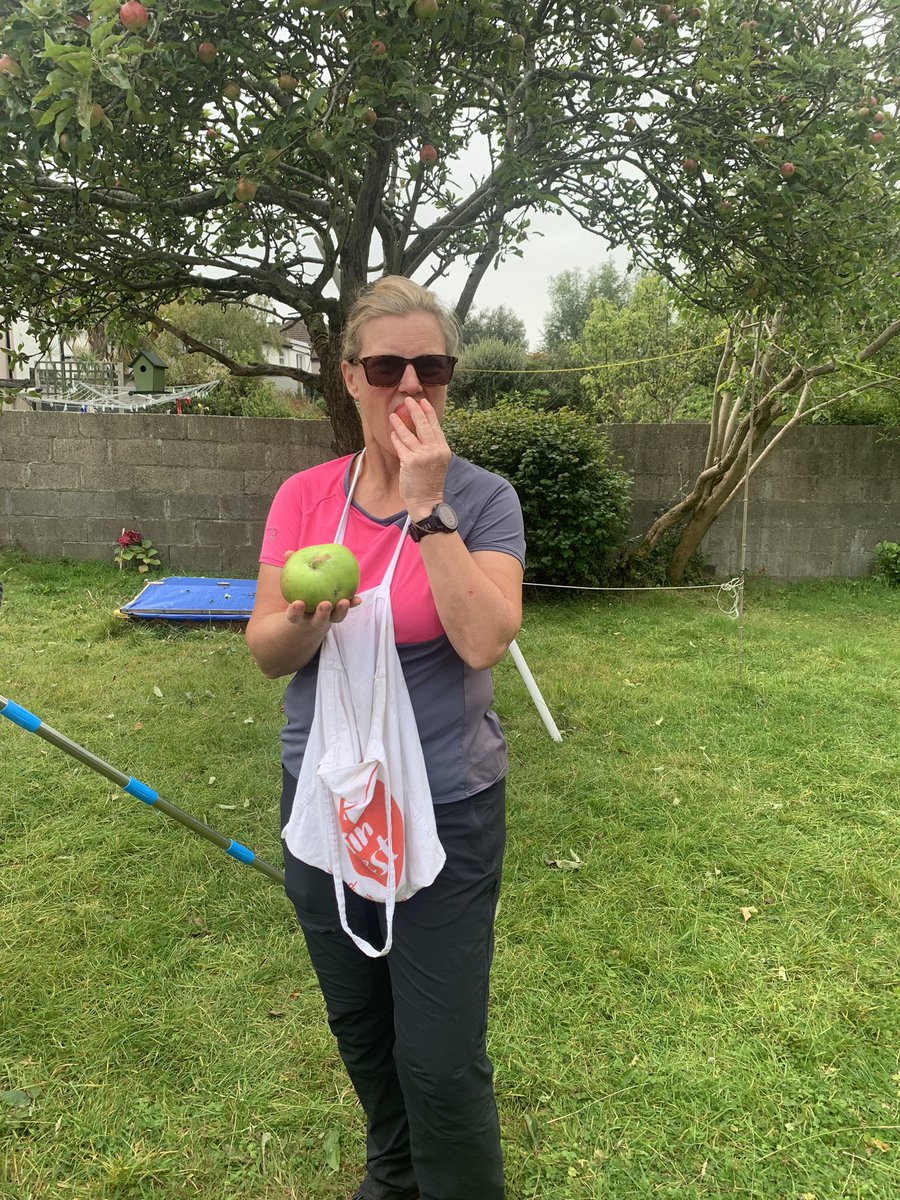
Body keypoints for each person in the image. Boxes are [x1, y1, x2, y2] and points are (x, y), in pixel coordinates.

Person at [245, 275, 525, 1200]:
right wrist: (311, 618)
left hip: (444, 807)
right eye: (386, 366)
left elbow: (484, 637)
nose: (410, 387)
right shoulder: (303, 499)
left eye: (431, 367)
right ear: (350, 378)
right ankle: (394, 1173)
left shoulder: (481, 501)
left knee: (440, 1058)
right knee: (362, 1024)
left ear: (448, 381)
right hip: (329, 802)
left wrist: (427, 506)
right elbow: (266, 650)